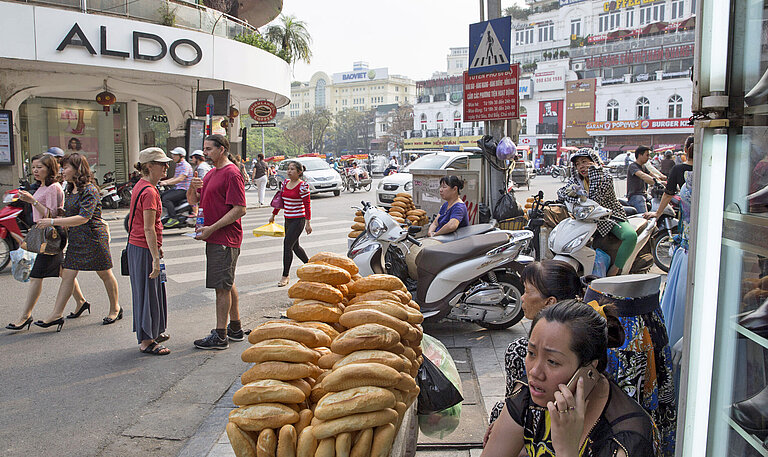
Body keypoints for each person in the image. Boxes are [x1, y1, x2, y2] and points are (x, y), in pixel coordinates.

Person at [482, 299, 656, 457]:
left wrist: (567, 450)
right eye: (531, 353)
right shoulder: (530, 393)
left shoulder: (626, 438)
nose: (535, 372)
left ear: (589, 369)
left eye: (552, 361)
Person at [486, 260, 584, 430]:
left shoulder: (519, 351)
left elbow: (515, 406)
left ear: (549, 302)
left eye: (527, 291)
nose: (522, 298)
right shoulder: (586, 337)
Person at [34, 153, 120, 331]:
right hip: (76, 239)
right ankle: (56, 314)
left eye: (65, 167)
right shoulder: (69, 189)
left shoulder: (90, 190)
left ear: (77, 169)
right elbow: (68, 214)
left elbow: (83, 218)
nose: (62, 171)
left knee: (104, 274)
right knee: (67, 275)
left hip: (94, 238)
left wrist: (52, 221)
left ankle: (115, 308)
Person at [5, 154, 90, 331]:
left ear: (50, 169)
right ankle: (81, 302)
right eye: (34, 167)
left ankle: (25, 316)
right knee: (62, 271)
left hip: (52, 235)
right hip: (42, 233)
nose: (35, 171)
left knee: (36, 276)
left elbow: (52, 215)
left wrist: (32, 201)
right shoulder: (42, 186)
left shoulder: (54, 188)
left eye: (40, 167)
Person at [187, 134, 247, 350]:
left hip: (225, 238)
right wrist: (193, 187)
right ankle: (235, 328)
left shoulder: (232, 173)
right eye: (204, 148)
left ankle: (220, 335)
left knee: (221, 288)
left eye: (209, 149)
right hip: (213, 236)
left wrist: (212, 228)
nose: (205, 153)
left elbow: (240, 208)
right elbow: (194, 201)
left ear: (222, 149)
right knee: (227, 283)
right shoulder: (211, 173)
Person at [646, 136, 694, 359]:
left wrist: (656, 214)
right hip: (693, 245)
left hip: (686, 247)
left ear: (685, 150)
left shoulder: (681, 170)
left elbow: (667, 193)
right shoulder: (710, 172)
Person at [558, 148, 635, 276]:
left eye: (584, 161)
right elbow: (562, 193)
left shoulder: (605, 177)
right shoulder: (576, 180)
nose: (581, 166)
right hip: (584, 219)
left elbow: (594, 198)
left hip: (610, 217)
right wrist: (573, 193)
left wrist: (579, 190)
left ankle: (615, 268)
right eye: (577, 164)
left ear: (594, 161)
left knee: (630, 236)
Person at [128, 148, 172, 355]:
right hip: (144, 247)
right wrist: (155, 256)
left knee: (150, 291)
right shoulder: (149, 191)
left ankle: (152, 331)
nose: (166, 167)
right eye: (161, 163)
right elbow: (148, 228)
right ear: (148, 167)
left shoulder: (142, 186)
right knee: (147, 293)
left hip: (139, 246)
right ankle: (147, 340)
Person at [269, 160, 312, 287]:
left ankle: (285, 275)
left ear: (299, 172)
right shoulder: (286, 183)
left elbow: (307, 205)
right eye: (288, 169)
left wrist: (308, 223)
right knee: (295, 246)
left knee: (287, 245)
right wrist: (273, 214)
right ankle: (310, 265)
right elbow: (280, 201)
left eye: (292, 169)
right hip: (287, 219)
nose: (289, 171)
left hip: (298, 220)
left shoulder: (303, 186)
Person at [626, 145, 665, 215]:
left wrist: (661, 181)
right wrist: (655, 182)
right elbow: (642, 175)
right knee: (644, 217)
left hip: (644, 195)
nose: (648, 157)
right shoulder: (633, 166)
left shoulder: (643, 166)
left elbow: (651, 174)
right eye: (647, 155)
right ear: (640, 155)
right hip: (636, 196)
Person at [159, 147, 192, 228]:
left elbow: (180, 178)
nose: (173, 156)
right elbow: (174, 178)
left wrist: (166, 182)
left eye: (175, 155)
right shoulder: (178, 165)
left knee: (166, 199)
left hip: (184, 190)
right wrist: (162, 182)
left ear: (181, 156)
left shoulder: (185, 165)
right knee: (161, 196)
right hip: (178, 188)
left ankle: (173, 218)